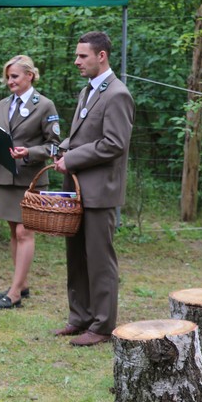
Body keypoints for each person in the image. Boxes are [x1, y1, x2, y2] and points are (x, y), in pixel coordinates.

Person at [53, 31, 135, 347]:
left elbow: (114, 144)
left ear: (101, 56)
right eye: (77, 56)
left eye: (82, 56)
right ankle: (79, 317)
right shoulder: (87, 91)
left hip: (100, 193)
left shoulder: (117, 94)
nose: (77, 62)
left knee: (99, 260)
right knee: (75, 256)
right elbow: (81, 136)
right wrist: (60, 149)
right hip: (76, 190)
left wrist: (72, 158)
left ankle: (102, 326)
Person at [0, 55, 60, 310]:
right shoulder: (3, 104)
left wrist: (30, 152)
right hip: (6, 175)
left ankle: (14, 292)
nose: (9, 81)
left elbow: (54, 146)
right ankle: (21, 283)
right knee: (13, 231)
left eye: (14, 76)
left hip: (31, 178)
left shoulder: (45, 105)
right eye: (8, 77)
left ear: (30, 76)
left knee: (25, 232)